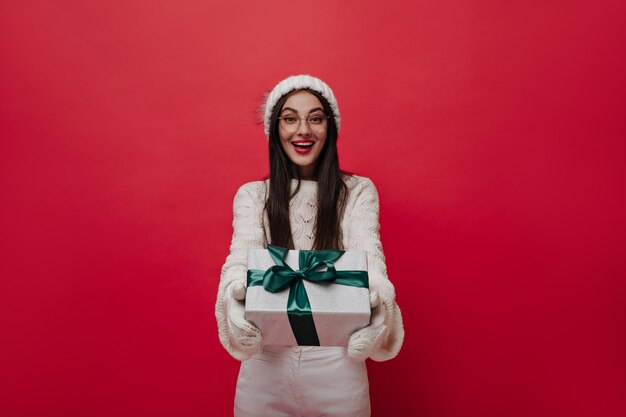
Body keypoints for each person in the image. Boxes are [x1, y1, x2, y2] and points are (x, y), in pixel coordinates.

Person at [215, 74, 404, 417]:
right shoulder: (253, 196)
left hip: (338, 364)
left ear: (330, 128)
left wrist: (379, 301)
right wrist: (233, 295)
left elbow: (371, 261)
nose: (303, 130)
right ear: (275, 129)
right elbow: (238, 262)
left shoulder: (358, 191)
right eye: (290, 118)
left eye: (315, 118)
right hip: (265, 366)